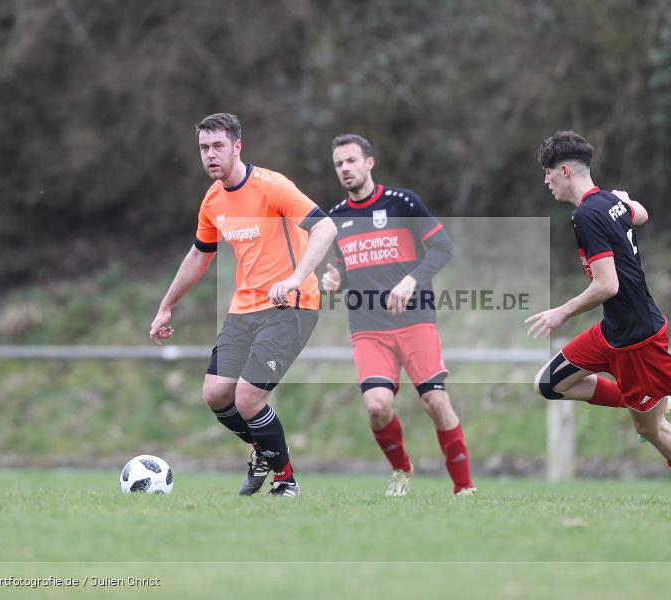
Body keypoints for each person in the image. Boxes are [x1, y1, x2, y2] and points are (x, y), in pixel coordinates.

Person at [526, 130, 671, 505]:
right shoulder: (607, 201)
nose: (546, 181)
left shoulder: (587, 214)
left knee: (651, 430)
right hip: (612, 332)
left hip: (639, 338)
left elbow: (608, 285)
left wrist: (562, 312)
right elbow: (641, 213)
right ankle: (640, 399)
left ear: (567, 172)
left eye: (549, 172)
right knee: (548, 383)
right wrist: (624, 201)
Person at [149, 113, 337, 498]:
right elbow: (200, 256)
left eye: (218, 146)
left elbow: (326, 227)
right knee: (216, 394)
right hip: (244, 308)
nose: (210, 155)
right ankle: (262, 451)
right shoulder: (213, 199)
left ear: (238, 146)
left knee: (249, 398)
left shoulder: (272, 186)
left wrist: (295, 278)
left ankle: (286, 481)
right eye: (204, 148)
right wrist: (167, 305)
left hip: (292, 305)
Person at [321, 134, 476, 497]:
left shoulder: (402, 202)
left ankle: (464, 487)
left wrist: (411, 280)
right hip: (368, 328)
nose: (345, 169)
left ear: (369, 162)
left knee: (435, 402)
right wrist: (335, 281)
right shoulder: (336, 218)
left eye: (351, 161)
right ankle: (402, 470)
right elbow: (346, 269)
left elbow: (442, 248)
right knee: (377, 406)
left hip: (415, 320)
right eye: (339, 164)